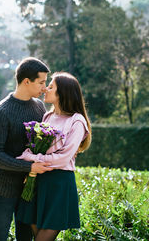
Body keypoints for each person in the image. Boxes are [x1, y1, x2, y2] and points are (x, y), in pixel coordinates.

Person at [16, 72, 92, 241]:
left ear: (62, 93)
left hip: (60, 183)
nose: (45, 89)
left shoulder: (77, 121)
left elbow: (64, 158)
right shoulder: (47, 116)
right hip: (39, 181)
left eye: (50, 87)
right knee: (38, 235)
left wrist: (33, 159)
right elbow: (36, 148)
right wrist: (30, 156)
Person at [0, 57, 54, 241]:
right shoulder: (1, 112)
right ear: (26, 81)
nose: (44, 88)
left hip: (30, 190)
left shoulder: (39, 107)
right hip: (4, 190)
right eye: (41, 82)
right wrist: (29, 168)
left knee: (25, 238)